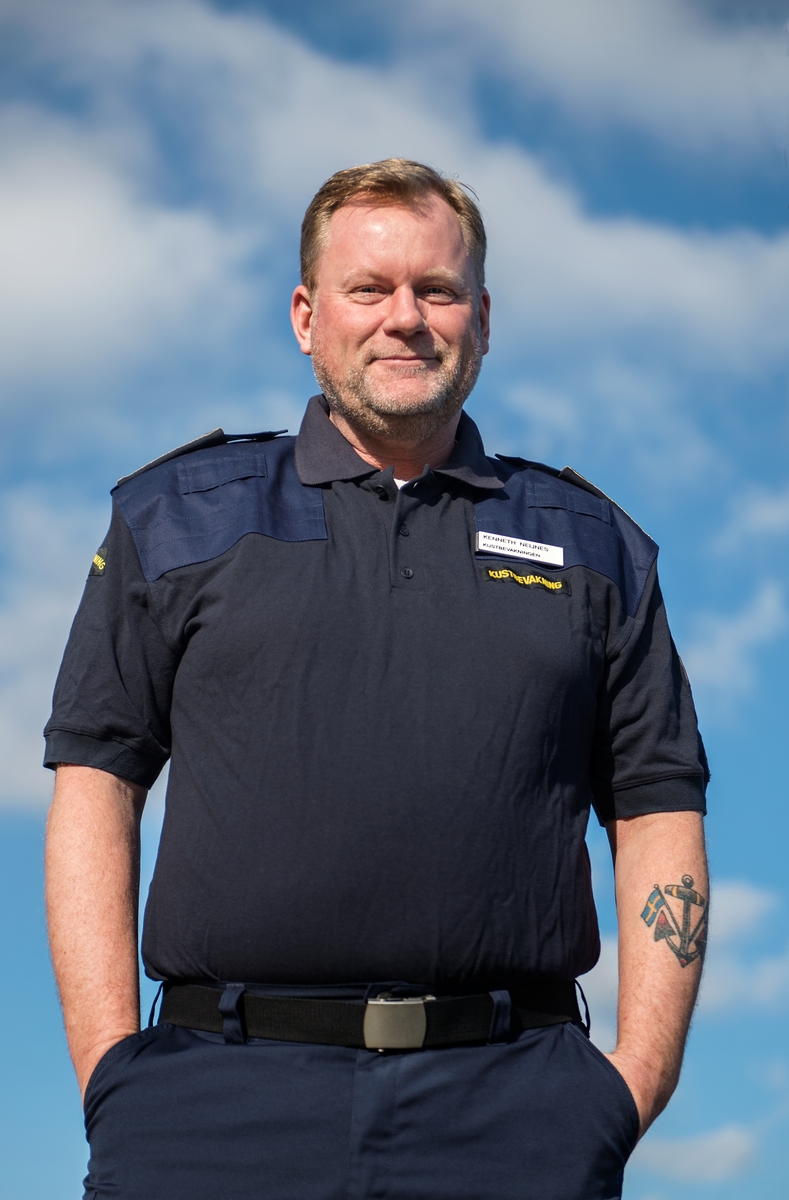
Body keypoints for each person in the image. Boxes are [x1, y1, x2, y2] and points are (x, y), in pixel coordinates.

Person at [44, 158, 709, 1200]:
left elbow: (658, 803)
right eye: (369, 288)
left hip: (515, 1113)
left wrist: (633, 1082)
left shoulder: (595, 547)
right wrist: (111, 1073)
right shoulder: (173, 518)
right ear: (307, 316)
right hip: (209, 1110)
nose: (405, 318)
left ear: (481, 319)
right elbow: (96, 781)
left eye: (436, 290)